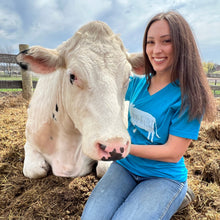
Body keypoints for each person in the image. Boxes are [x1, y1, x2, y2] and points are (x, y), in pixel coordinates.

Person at [81, 11, 216, 220]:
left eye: (166, 41)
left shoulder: (188, 96)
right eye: (150, 42)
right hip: (125, 168)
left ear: (182, 45)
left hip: (163, 176)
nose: (156, 50)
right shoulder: (137, 83)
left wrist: (123, 149)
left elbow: (173, 152)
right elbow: (104, 84)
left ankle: (176, 196)